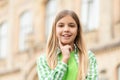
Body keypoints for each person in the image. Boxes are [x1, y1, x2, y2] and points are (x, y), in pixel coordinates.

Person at [37, 10, 98, 80]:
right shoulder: (44, 60)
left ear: (78, 30)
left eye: (71, 26)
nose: (66, 29)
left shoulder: (89, 57)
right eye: (61, 26)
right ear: (55, 30)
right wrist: (64, 59)